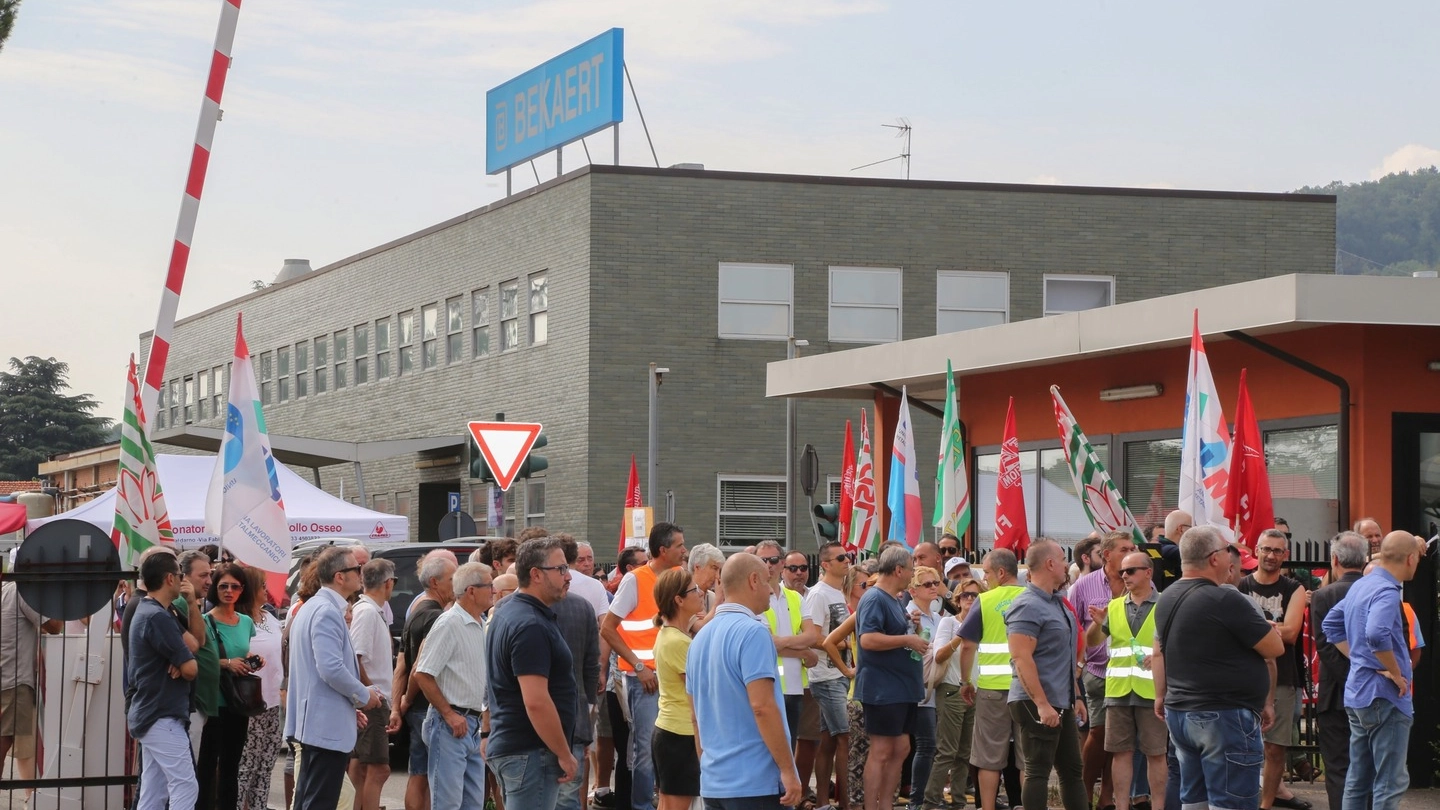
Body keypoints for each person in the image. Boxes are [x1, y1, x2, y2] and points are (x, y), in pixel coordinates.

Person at [1153, 527, 1283, 810]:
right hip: (1223, 716)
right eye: (1227, 552)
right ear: (1214, 558)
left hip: (1182, 712)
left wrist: (1161, 695)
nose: (1231, 560)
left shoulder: (1166, 597)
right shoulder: (1226, 598)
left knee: (1195, 799)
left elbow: (1161, 651)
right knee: (1231, 802)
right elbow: (1274, 648)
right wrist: (1265, 631)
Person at [688, 553, 803, 809]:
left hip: (714, 782)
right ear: (753, 580)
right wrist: (787, 769)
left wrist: (708, 767)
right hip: (755, 781)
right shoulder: (754, 632)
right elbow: (762, 706)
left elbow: (695, 717)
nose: (771, 592)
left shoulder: (699, 639)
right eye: (766, 581)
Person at [1320, 531, 1422, 810]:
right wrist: (1393, 671)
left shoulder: (1363, 585)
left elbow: (1330, 625)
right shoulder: (1388, 591)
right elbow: (1377, 635)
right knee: (1390, 782)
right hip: (1384, 696)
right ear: (1411, 559)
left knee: (1357, 778)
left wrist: (1360, 659)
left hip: (1358, 694)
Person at [286, 547, 384, 810]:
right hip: (323, 727)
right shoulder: (325, 610)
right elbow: (330, 668)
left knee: (310, 800)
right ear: (340, 576)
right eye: (356, 569)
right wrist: (364, 695)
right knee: (319, 802)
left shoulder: (315, 607)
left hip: (317, 724)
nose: (361, 574)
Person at [486, 536, 579, 809]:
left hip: (519, 750)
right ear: (536, 574)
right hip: (530, 752)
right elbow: (536, 701)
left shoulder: (509, 612)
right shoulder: (530, 625)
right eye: (560, 569)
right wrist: (564, 753)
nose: (568, 576)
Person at [601, 522, 687, 810]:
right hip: (644, 679)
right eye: (679, 546)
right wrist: (639, 667)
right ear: (663, 550)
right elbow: (608, 628)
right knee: (646, 750)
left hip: (673, 676)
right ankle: (641, 806)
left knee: (669, 748)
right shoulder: (635, 580)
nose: (684, 550)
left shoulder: (679, 575)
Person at [1005, 539, 1087, 810]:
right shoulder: (1027, 605)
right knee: (1038, 770)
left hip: (1060, 701)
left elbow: (1063, 657)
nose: (1067, 566)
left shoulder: (1058, 603)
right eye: (1063, 559)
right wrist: (1041, 704)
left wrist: (1075, 695)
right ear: (1050, 563)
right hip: (1036, 702)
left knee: (1073, 770)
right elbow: (1021, 657)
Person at [1084, 551, 1167, 810]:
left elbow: (1178, 644)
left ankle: (1159, 806)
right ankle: (1121, 806)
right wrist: (1098, 623)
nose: (1124, 576)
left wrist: (1159, 658)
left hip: (1152, 692)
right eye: (1122, 572)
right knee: (1121, 754)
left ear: (1148, 572)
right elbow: (1092, 642)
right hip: (1119, 691)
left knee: (1156, 754)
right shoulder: (1116, 605)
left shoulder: (1164, 605)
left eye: (1131, 571)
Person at [1237, 528, 1310, 810]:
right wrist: (1268, 629)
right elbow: (1231, 630)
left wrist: (1252, 630)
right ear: (1256, 550)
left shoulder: (1294, 588)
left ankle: (1266, 805)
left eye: (1277, 550)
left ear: (1285, 555)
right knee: (1242, 746)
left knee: (1275, 747)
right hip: (1243, 677)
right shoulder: (1240, 586)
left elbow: (1291, 633)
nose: (1270, 555)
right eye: (1266, 549)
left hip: (1283, 675)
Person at [412, 562, 494, 810]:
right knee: (447, 804)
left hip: (471, 723)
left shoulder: (479, 622)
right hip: (451, 724)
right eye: (489, 585)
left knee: (472, 804)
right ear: (471, 591)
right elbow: (423, 674)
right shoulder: (449, 623)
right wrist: (448, 714)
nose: (493, 590)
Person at [127, 550, 201, 810]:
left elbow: (194, 645)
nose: (183, 580)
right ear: (170, 578)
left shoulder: (157, 612)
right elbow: (192, 667)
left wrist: (180, 662)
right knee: (185, 785)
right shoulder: (156, 615)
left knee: (154, 790)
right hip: (161, 713)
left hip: (153, 712)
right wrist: (182, 665)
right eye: (180, 575)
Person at [857, 546, 927, 810]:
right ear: (898, 570)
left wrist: (912, 625)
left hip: (901, 687)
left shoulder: (894, 599)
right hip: (883, 688)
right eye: (911, 568)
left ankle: (886, 804)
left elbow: (892, 632)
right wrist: (909, 638)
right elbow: (868, 639)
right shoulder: (875, 598)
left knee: (901, 748)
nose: (912, 574)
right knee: (883, 750)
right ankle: (872, 806)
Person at [1071, 531, 1136, 810]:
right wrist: (1073, 670)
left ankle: (1107, 798)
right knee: (1098, 732)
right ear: (1107, 555)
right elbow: (1071, 628)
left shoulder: (1139, 583)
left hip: (1129, 671)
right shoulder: (1083, 586)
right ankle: (1084, 792)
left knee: (1119, 738)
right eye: (1124, 549)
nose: (1130, 553)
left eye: (1132, 548)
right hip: (1096, 670)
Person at [958, 549, 1026, 810]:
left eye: (986, 572)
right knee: (1026, 758)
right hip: (1026, 688)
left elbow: (967, 646)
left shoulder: (985, 602)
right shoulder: (1032, 598)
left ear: (1000, 572)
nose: (984, 578)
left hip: (991, 690)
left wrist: (965, 681)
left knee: (988, 758)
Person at [389, 551, 457, 810]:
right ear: (434, 582)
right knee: (429, 776)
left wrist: (398, 706)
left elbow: (402, 664)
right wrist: (404, 701)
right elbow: (419, 666)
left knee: (417, 772)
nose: (456, 584)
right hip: (428, 706)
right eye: (452, 579)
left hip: (417, 707)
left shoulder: (416, 613)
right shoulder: (436, 617)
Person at [1309, 531, 1369, 810]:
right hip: (1374, 691)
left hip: (1336, 695)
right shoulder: (1379, 591)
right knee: (1369, 764)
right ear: (1365, 559)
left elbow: (1325, 646)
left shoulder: (1323, 595)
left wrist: (1350, 679)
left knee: (1338, 767)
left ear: (1334, 560)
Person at [200, 562, 257, 810]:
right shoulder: (203, 621)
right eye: (223, 586)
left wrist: (251, 661)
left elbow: (241, 652)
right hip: (212, 703)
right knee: (206, 765)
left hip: (238, 702)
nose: (229, 591)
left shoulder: (245, 622)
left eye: (235, 586)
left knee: (232, 766)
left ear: (242, 589)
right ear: (215, 588)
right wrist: (227, 663)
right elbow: (199, 659)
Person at [925, 577, 983, 810]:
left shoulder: (985, 623)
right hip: (951, 689)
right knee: (947, 751)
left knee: (965, 753)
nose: (970, 599)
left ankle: (958, 801)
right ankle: (930, 801)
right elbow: (939, 656)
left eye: (975, 595)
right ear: (957, 600)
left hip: (977, 691)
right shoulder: (948, 624)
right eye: (965, 595)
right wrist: (961, 636)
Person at [553, 534, 602, 810]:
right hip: (573, 719)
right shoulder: (583, 606)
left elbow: (591, 663)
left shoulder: (512, 608)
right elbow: (592, 663)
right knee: (567, 796)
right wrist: (588, 713)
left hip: (548, 723)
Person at [0, 565, 60, 788]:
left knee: (18, 742)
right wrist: (53, 599)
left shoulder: (7, 590)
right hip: (14, 679)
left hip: (8, 675)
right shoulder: (23, 592)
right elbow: (54, 627)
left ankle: (30, 794)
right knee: (6, 739)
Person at [804, 541, 853, 810]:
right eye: (841, 558)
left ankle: (824, 801)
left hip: (839, 675)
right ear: (825, 565)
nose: (848, 561)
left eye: (848, 557)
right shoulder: (819, 594)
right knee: (845, 736)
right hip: (827, 676)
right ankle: (845, 802)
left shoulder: (837, 593)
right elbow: (813, 637)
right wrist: (844, 644)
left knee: (830, 740)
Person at [652, 567, 704, 810]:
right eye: (694, 590)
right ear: (679, 600)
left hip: (673, 732)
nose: (701, 593)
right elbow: (700, 692)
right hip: (680, 735)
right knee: (675, 805)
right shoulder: (678, 641)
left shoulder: (673, 635)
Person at [348, 558, 396, 810]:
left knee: (362, 768)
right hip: (371, 701)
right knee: (378, 770)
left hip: (371, 699)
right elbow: (356, 658)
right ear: (388, 583)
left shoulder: (371, 611)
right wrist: (372, 692)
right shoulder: (366, 612)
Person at [236, 565, 284, 810]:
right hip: (249, 705)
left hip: (272, 704)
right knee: (244, 769)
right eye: (262, 585)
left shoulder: (270, 617)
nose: (267, 589)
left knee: (265, 768)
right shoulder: (238, 620)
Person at [906, 566, 945, 810]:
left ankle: (925, 797)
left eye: (936, 582)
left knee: (929, 745)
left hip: (934, 686)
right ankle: (917, 801)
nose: (933, 587)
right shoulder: (910, 615)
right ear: (912, 591)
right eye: (927, 584)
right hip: (916, 688)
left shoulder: (938, 617)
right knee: (926, 744)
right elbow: (910, 654)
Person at [174, 549, 217, 765]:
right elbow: (195, 645)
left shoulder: (191, 603)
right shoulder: (181, 603)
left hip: (198, 704)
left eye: (210, 574)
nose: (209, 581)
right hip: (191, 703)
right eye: (203, 575)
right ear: (184, 577)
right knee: (186, 770)